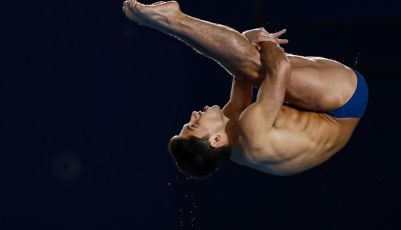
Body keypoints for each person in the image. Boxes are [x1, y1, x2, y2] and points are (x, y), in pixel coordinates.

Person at [122, 0, 369, 179]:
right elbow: (279, 67)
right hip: (344, 99)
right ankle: (171, 20)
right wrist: (264, 42)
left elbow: (241, 76)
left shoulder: (233, 137)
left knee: (248, 66)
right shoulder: (251, 131)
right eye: (194, 125)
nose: (194, 115)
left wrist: (247, 37)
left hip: (331, 111)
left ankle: (170, 21)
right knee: (255, 66)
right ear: (216, 139)